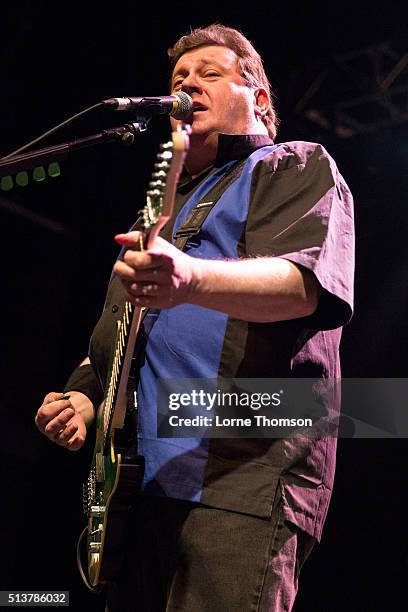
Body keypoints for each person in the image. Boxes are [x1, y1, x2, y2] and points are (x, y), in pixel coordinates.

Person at [35, 24, 354, 612]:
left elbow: (304, 286)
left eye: (210, 74)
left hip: (244, 475)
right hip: (140, 486)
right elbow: (121, 330)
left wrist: (190, 278)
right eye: (179, 79)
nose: (187, 85)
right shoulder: (161, 210)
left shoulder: (295, 164)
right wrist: (88, 396)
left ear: (258, 97)